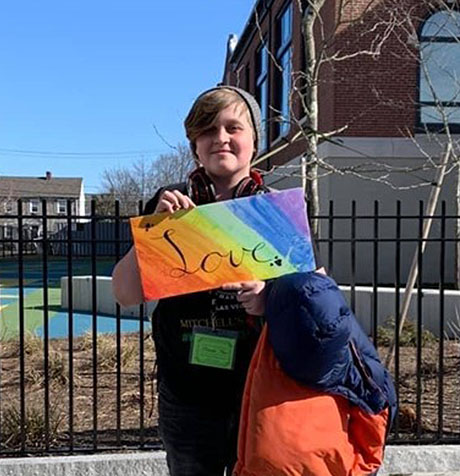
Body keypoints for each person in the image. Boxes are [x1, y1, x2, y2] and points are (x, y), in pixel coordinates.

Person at [112, 85, 322, 476]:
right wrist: (155, 233)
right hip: (187, 395)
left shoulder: (277, 210)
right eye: (208, 130)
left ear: (254, 141)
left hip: (262, 391)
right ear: (194, 145)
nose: (220, 138)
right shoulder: (170, 202)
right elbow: (125, 293)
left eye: (233, 127)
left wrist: (269, 298)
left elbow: (319, 299)